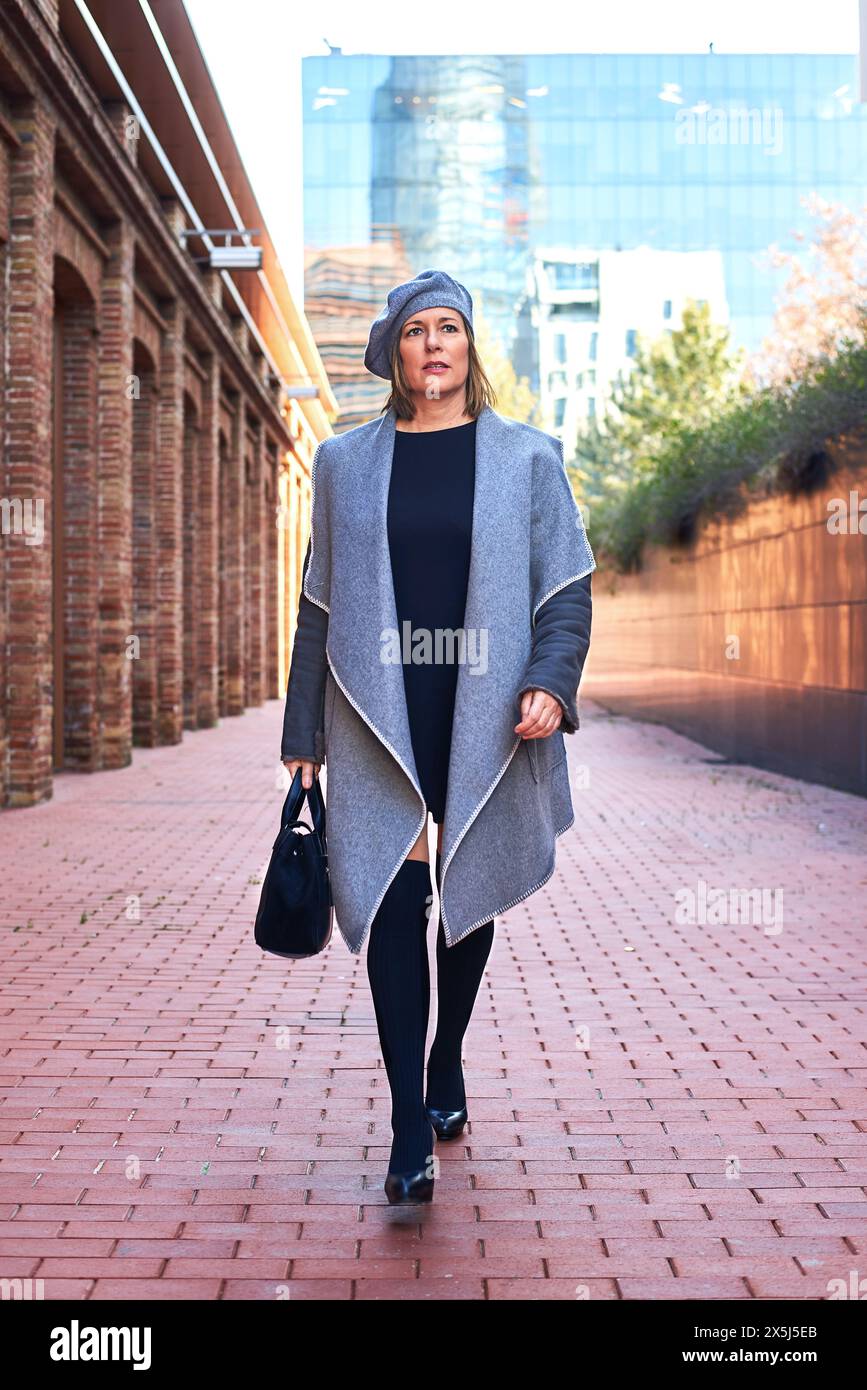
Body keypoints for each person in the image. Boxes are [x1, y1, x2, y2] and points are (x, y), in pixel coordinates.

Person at [281, 269, 594, 1205]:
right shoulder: (343, 462)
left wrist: (550, 683)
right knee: (387, 889)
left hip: (486, 701)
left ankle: (445, 1053)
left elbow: (565, 592)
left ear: (469, 348)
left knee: (467, 883)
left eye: (449, 327)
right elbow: (316, 606)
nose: (433, 344)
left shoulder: (528, 458)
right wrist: (303, 733)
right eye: (415, 330)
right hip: (376, 702)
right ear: (392, 352)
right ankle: (408, 1120)